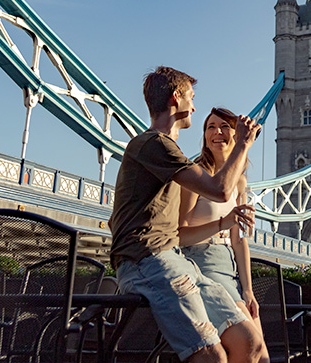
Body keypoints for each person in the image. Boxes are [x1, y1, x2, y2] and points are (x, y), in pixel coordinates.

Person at [109, 66, 267, 363]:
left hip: (175, 260)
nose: (194, 105)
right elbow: (219, 190)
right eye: (191, 97)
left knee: (250, 344)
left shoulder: (169, 150)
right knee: (211, 356)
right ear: (175, 98)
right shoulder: (154, 145)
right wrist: (243, 143)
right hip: (147, 260)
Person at [178, 107, 267, 354]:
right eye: (210, 127)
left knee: (263, 357)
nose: (217, 132)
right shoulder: (196, 175)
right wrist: (222, 224)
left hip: (230, 272)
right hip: (202, 265)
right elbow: (180, 235)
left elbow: (239, 241)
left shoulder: (240, 181)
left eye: (224, 126)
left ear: (236, 135)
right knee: (250, 345)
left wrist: (248, 289)